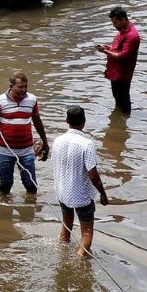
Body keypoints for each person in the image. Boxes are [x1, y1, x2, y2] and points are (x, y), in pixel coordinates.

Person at [49, 105, 110, 259]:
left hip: (63, 192)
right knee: (87, 232)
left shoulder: (57, 141)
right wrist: (102, 193)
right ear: (84, 121)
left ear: (67, 120)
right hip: (81, 195)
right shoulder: (86, 144)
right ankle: (79, 260)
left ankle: (63, 254)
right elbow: (93, 175)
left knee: (67, 224)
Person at [0, 70, 50, 199]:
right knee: (5, 185)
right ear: (11, 86)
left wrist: (45, 143)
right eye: (20, 87)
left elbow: (37, 122)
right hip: (5, 150)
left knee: (31, 185)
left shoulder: (32, 99)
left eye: (26, 87)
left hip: (26, 150)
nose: (24, 90)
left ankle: (31, 207)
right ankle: (4, 207)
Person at [97, 6, 141, 114]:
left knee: (123, 100)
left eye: (115, 23)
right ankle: (119, 119)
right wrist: (107, 48)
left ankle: (124, 120)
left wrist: (105, 51)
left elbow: (122, 56)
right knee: (118, 99)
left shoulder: (132, 36)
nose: (114, 25)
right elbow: (117, 49)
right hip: (115, 72)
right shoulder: (122, 31)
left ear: (123, 19)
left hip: (122, 74)